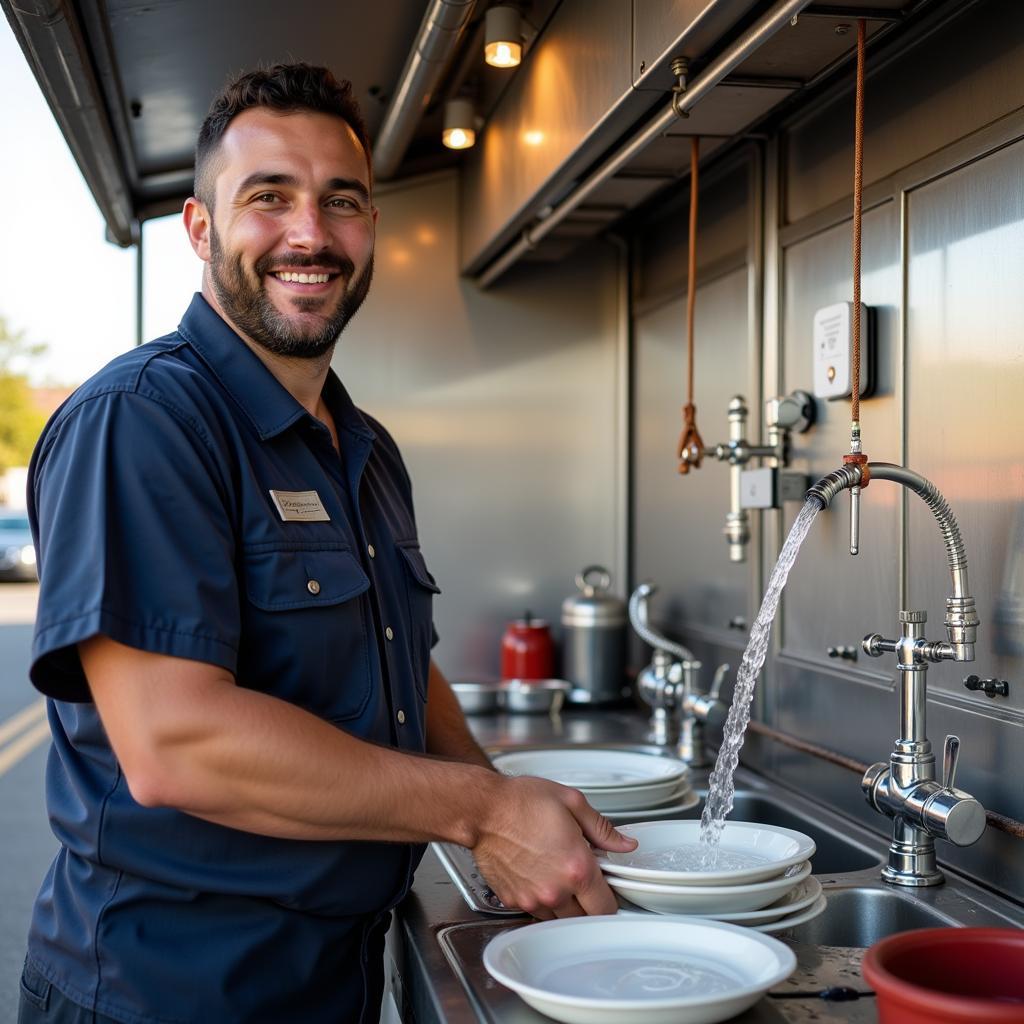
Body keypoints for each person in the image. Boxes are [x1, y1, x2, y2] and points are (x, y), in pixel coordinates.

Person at [19, 63, 636, 1024]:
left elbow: (400, 661)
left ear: (371, 229)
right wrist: (478, 814)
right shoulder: (142, 423)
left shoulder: (365, 449)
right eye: (269, 198)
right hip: (168, 993)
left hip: (332, 982)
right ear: (199, 228)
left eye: (340, 202)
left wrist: (502, 803)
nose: (310, 233)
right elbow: (175, 745)